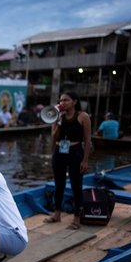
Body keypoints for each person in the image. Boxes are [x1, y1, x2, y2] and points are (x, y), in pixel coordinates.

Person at [45, 90, 91, 230]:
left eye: (66, 100)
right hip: (59, 152)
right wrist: (58, 121)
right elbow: (54, 137)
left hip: (75, 152)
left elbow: (88, 140)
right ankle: (57, 214)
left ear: (74, 102)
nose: (62, 103)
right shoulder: (57, 116)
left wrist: (85, 160)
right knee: (59, 184)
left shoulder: (82, 116)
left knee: (77, 185)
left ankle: (77, 218)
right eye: (61, 100)